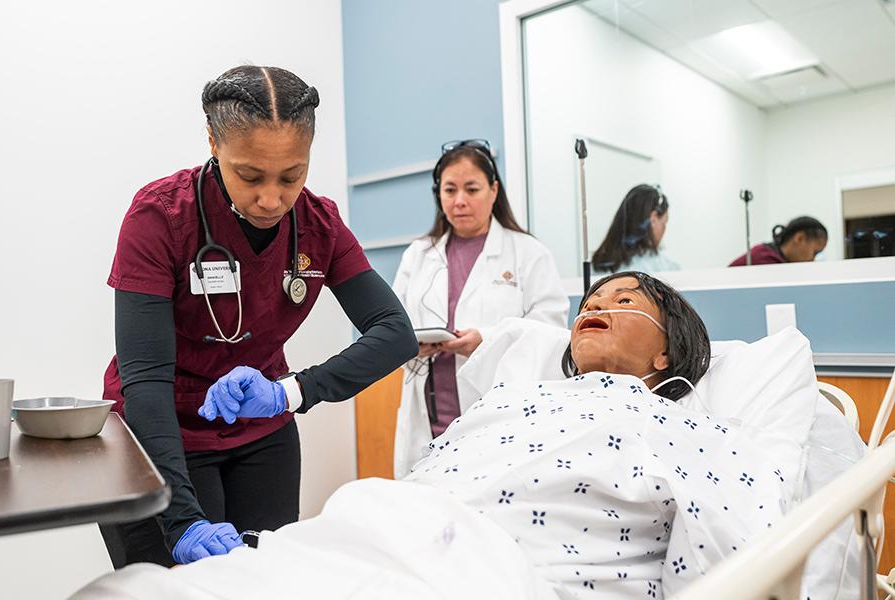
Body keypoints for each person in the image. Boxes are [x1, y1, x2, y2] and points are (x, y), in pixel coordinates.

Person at [74, 273, 787, 600]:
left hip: (502, 573)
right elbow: (429, 484)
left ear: (668, 353)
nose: (595, 307)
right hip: (388, 528)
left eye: (624, 302)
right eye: (592, 300)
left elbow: (739, 549)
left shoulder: (685, 427)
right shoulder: (517, 397)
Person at [99, 65, 417, 568]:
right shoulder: (160, 216)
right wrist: (181, 520)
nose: (272, 199)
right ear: (213, 143)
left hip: (261, 433)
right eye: (250, 175)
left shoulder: (319, 224)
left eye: (292, 175)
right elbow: (146, 377)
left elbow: (395, 334)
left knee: (266, 582)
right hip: (159, 434)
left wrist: (289, 391)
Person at [391, 139, 569, 478]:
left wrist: (485, 340)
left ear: (494, 190)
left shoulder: (527, 253)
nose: (460, 201)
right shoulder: (418, 254)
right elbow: (393, 321)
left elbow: (552, 331)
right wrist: (410, 343)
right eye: (450, 190)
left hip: (497, 415)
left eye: (472, 189)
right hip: (428, 414)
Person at [590, 184, 679, 276]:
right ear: (653, 219)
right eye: (664, 223)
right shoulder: (665, 268)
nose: (664, 229)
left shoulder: (597, 266)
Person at [729, 216, 827, 266]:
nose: (812, 260)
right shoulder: (764, 259)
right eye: (814, 253)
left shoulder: (779, 260)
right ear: (799, 238)